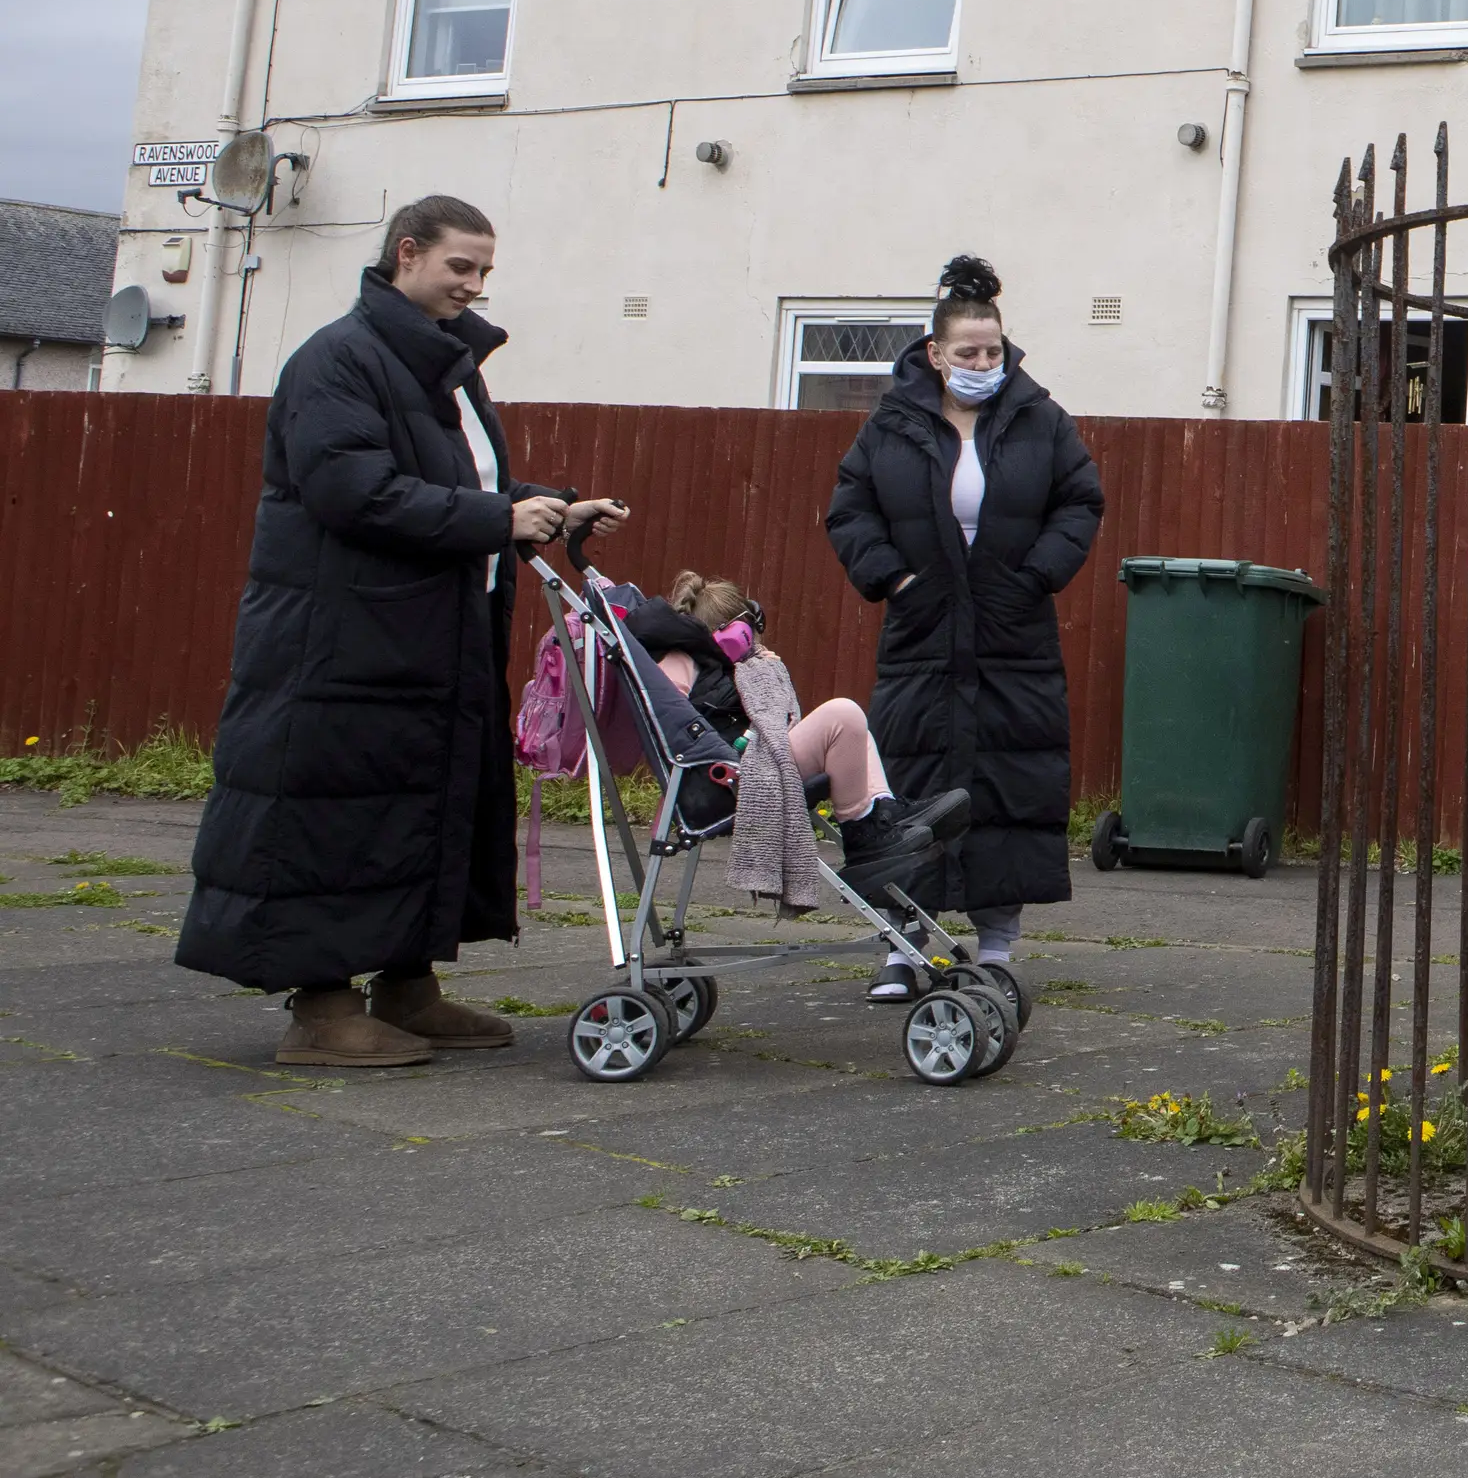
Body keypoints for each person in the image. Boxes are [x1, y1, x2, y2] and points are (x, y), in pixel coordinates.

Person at [177, 195, 629, 1067]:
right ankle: (321, 1011)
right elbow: (356, 492)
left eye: (486, 271)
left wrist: (549, 508)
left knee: (419, 810)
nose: (475, 285)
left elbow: (454, 483)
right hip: (338, 644)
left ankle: (407, 989)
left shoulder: (442, 368)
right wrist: (499, 521)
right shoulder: (338, 360)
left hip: (426, 640)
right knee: (333, 819)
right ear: (407, 253)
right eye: (461, 266)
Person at [824, 255, 1102, 991]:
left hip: (1014, 633)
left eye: (995, 350)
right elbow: (850, 511)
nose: (984, 363)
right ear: (935, 353)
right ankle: (902, 946)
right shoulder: (890, 426)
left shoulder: (1041, 420)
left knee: (1011, 781)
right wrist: (897, 579)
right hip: (923, 633)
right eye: (969, 352)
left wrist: (1035, 577)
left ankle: (1000, 949)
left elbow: (1081, 502)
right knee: (907, 783)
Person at [624, 574, 930, 930]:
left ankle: (882, 811)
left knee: (856, 730)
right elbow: (672, 730)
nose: (752, 641)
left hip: (756, 760)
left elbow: (772, 720)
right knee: (844, 713)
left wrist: (763, 673)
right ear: (727, 633)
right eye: (746, 632)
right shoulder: (680, 661)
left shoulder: (729, 666)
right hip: (728, 778)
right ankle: (862, 839)